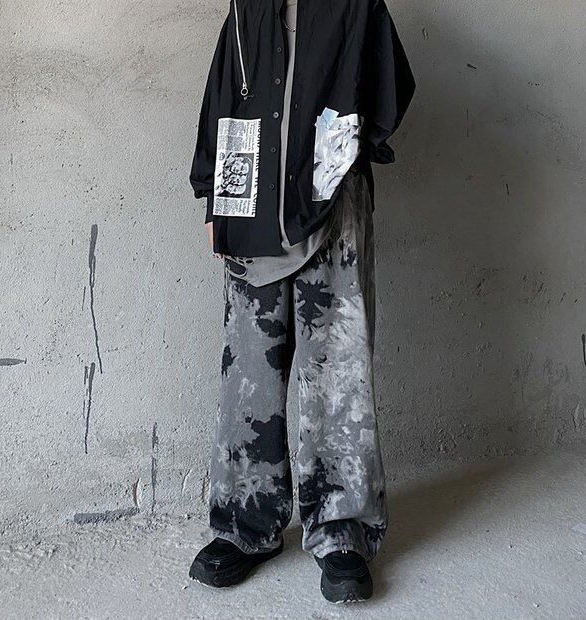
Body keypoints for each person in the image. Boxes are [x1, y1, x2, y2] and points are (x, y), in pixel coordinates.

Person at [188, 0, 415, 604]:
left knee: (338, 374)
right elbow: (222, 100)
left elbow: (390, 88)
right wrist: (215, 194)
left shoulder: (357, 5)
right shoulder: (245, 9)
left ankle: (342, 530)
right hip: (250, 206)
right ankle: (244, 522)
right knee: (248, 373)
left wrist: (342, 154)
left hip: (334, 204)